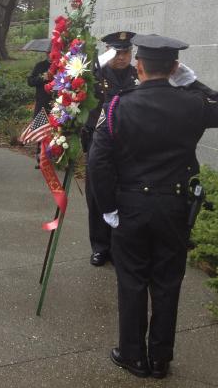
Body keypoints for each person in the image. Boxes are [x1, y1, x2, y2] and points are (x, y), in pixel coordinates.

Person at [88, 33, 218, 379]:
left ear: (138, 66)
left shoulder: (116, 105)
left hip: (131, 206)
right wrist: (193, 81)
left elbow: (99, 162)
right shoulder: (193, 102)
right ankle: (160, 358)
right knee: (168, 282)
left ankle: (132, 356)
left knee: (132, 281)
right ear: (174, 67)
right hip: (174, 206)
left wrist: (107, 207)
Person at [83, 31, 139, 267]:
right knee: (97, 197)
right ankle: (100, 247)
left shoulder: (138, 76)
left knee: (123, 198)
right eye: (116, 52)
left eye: (126, 52)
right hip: (99, 145)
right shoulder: (93, 76)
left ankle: (118, 247)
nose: (122, 57)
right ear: (108, 51)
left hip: (127, 147)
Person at [26, 51, 53, 169]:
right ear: (47, 53)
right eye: (50, 53)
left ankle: (54, 158)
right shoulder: (40, 66)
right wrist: (43, 77)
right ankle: (40, 157)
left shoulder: (62, 65)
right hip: (42, 102)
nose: (52, 55)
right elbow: (30, 81)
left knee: (56, 132)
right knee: (41, 130)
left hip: (58, 104)